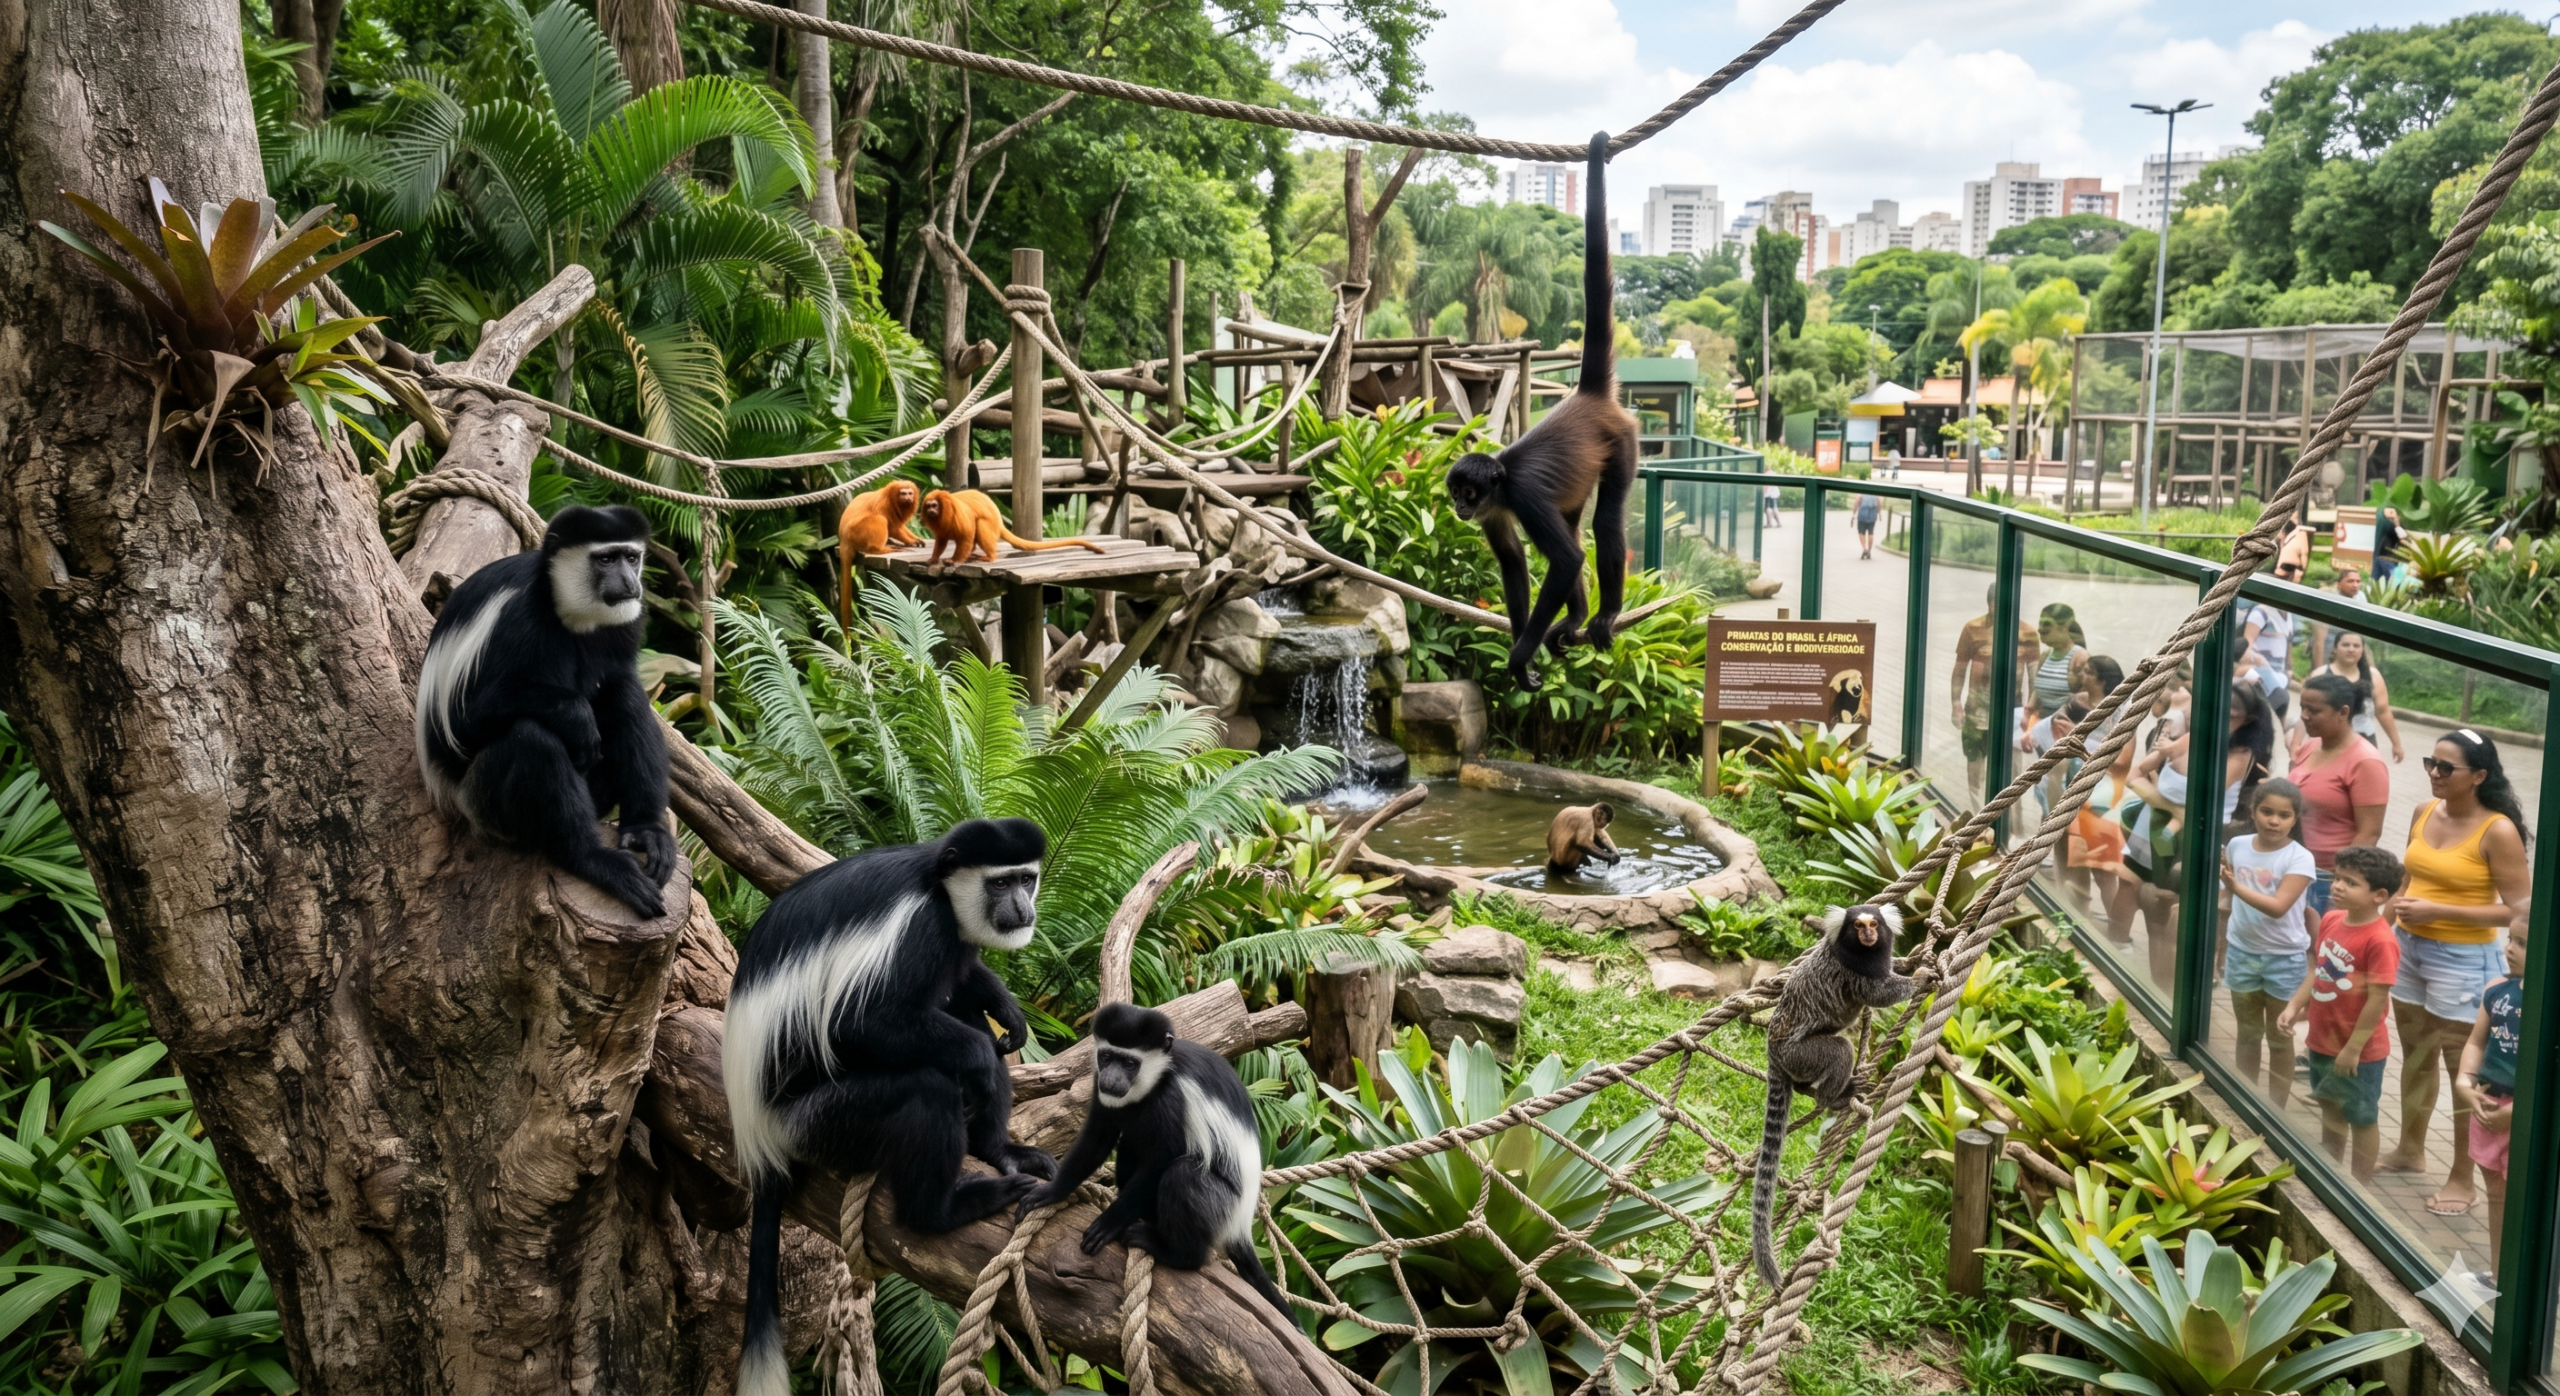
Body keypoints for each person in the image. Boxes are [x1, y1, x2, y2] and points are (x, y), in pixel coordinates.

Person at [2380, 729, 2535, 1217]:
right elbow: (2408, 879)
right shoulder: (2424, 811)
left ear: (2480, 776)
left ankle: (2462, 1177)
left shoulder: (2498, 830)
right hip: (2409, 948)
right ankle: (2410, 1149)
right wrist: (2384, 929)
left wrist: (2440, 910)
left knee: (2462, 1069)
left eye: (2446, 768)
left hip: (2463, 960)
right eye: (2431, 763)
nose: (2433, 774)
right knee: (2416, 1053)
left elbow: (2521, 912)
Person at [2123, 683, 2273, 990]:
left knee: (2180, 920)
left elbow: (2202, 798)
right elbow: (2134, 776)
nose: (2222, 721)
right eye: (2218, 713)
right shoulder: (2189, 738)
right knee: (2152, 906)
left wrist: (2177, 812)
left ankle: (2183, 988)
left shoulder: (2240, 754)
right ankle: (2159, 985)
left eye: (2232, 717)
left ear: (2247, 721)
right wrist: (2174, 811)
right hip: (2153, 831)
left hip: (2198, 840)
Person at [2279, 844, 2404, 1181]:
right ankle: (2331, 1174)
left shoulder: (2380, 940)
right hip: (2322, 1040)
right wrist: (2294, 1005)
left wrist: (2353, 1049)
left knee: (2361, 1117)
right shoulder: (2333, 919)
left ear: (2379, 895)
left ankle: (2359, 1186)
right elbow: (2316, 971)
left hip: (2359, 1053)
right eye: (2337, 878)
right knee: (2330, 1108)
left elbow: (2378, 1000)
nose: (2337, 886)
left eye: (2350, 883)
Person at [2221, 779, 2316, 1104]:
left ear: (2295, 818)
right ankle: (2245, 1100)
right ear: (2253, 811)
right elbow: (2228, 901)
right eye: (2267, 812)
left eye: (2284, 815)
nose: (2274, 821)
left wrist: (2235, 889)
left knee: (2279, 1038)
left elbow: (2278, 907)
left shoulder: (2300, 858)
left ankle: (2277, 1107)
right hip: (2242, 952)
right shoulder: (2237, 845)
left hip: (2283, 958)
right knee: (2247, 1032)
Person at [2455, 924, 2526, 1277]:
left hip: (2526, 1116)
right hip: (2488, 1107)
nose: (2510, 948)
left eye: (2524, 943)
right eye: (2511, 938)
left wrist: (2520, 1112)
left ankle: (2520, 1282)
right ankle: (2500, 1276)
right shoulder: (2498, 990)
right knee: (2497, 1196)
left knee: (2523, 1202)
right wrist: (2464, 1082)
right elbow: (2476, 1042)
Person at [2288, 674, 2389, 917]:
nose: (2304, 716)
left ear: (2343, 712)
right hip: (2295, 868)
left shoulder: (2365, 761)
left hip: (2327, 878)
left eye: (2314, 710)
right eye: (2302, 708)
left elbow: (2369, 832)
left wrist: (2343, 883)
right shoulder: (2310, 747)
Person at [1950, 583, 2037, 800]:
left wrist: (2031, 716)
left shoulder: (2028, 633)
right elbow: (1960, 668)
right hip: (1977, 711)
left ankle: (2011, 823)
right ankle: (1975, 812)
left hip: (2013, 711)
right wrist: (1955, 704)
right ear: (1991, 605)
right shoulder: (1972, 629)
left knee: (2012, 769)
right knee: (1975, 762)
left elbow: (2035, 678)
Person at [2322, 633, 2404, 763]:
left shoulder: (2373, 676)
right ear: (2335, 648)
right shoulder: (2321, 675)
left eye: (2356, 646)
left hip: (2365, 742)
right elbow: (2309, 712)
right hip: (2329, 742)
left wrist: (2396, 744)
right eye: (2345, 645)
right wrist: (2296, 744)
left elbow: (2382, 711)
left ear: (2362, 650)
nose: (2351, 649)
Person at [2239, 590, 2298, 726]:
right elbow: (2247, 646)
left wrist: (2289, 669)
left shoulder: (2289, 615)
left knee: (2280, 707)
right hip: (2263, 671)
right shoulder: (2260, 613)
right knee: (2277, 703)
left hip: (2280, 672)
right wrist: (2262, 664)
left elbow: (2288, 642)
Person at [2310, 566, 2366, 664]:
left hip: (2352, 641)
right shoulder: (2328, 598)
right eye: (2350, 581)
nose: (2355, 585)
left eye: (2358, 581)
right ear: (2339, 584)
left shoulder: (2361, 597)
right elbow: (2319, 638)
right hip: (2329, 641)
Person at [2373, 505, 2404, 583]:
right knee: (2390, 582)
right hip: (2387, 559)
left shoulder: (2383, 524)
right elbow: (2403, 538)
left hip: (2379, 557)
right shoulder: (2391, 526)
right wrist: (2397, 523)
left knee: (2375, 581)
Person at [1855, 492, 1881, 559]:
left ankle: (1864, 549)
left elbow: (1857, 501)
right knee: (1871, 532)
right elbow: (1879, 503)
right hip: (1872, 515)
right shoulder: (1875, 495)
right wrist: (1879, 513)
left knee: (1861, 532)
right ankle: (1869, 551)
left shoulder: (1861, 494)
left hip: (1862, 515)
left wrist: (1853, 513)